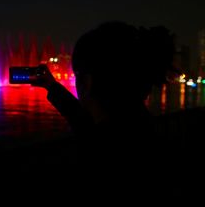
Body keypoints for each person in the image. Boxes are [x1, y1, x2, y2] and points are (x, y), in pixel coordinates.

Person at [32, 21, 180, 198]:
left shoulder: (101, 160)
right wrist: (52, 86)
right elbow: (86, 125)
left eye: (77, 75)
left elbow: (91, 134)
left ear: (88, 81)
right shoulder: (138, 128)